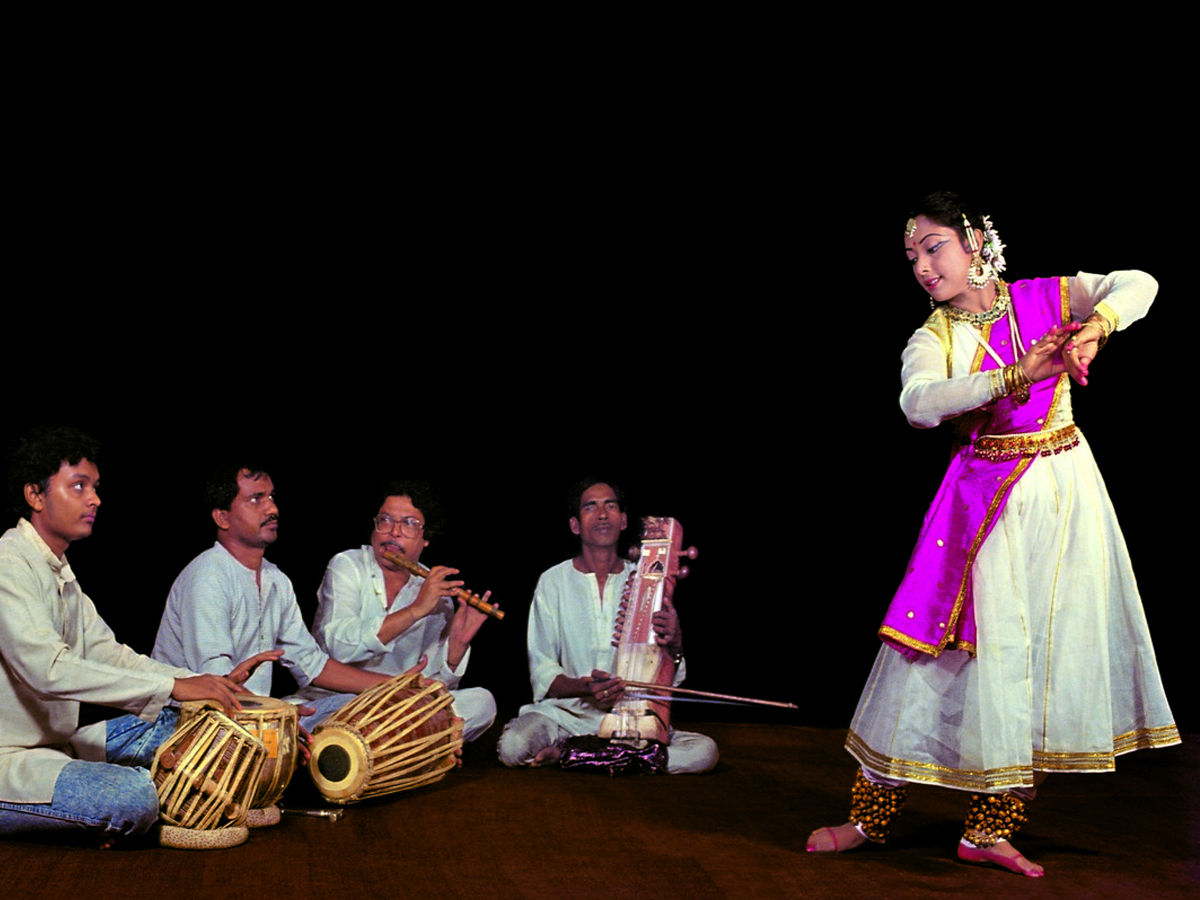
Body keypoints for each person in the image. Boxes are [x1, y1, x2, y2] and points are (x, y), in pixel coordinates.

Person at [806, 193, 1179, 877]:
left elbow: (1141, 283)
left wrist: (1096, 326)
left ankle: (989, 828)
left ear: (977, 241)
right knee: (929, 658)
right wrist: (1015, 375)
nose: (921, 265)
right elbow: (919, 403)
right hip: (981, 509)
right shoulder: (935, 336)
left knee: (1042, 662)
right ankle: (869, 816)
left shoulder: (1047, 297)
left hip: (1066, 497)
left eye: (934, 246)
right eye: (912, 255)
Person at [0, 428, 271, 845]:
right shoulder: (7, 563)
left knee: (188, 722)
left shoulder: (60, 573)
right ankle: (134, 798)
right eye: (79, 487)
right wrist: (174, 685)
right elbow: (47, 670)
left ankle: (133, 793)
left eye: (95, 487)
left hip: (63, 746)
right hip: (10, 762)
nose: (95, 499)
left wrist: (200, 687)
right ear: (36, 496)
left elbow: (112, 655)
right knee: (132, 796)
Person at [497, 480, 718, 774]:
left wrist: (676, 643)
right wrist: (587, 688)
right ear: (575, 525)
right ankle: (616, 756)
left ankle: (576, 755)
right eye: (591, 507)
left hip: (631, 717)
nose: (602, 514)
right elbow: (543, 671)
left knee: (705, 752)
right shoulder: (553, 581)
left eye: (610, 505)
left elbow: (669, 680)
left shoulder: (647, 584)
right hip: (566, 717)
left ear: (624, 520)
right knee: (513, 747)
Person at [153, 464, 395, 731]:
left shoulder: (276, 580)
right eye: (256, 499)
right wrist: (278, 717)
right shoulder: (208, 575)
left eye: (271, 497)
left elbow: (312, 664)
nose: (272, 509)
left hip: (257, 715)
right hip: (191, 724)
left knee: (360, 707)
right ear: (222, 517)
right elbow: (217, 681)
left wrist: (395, 686)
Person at [305, 482, 496, 742]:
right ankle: (420, 744)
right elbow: (339, 646)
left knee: (482, 702)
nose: (393, 533)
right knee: (320, 717)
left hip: (398, 710)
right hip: (340, 703)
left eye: (408, 524)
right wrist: (416, 610)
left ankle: (390, 744)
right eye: (385, 520)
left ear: (426, 537)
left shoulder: (437, 593)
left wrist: (456, 648)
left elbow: (430, 686)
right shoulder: (347, 565)